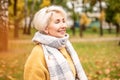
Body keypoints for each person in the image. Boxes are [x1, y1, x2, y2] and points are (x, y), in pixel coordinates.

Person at [24, 5, 88, 80]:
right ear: (45, 28)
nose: (64, 25)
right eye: (57, 22)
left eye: (63, 21)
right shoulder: (38, 53)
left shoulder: (65, 46)